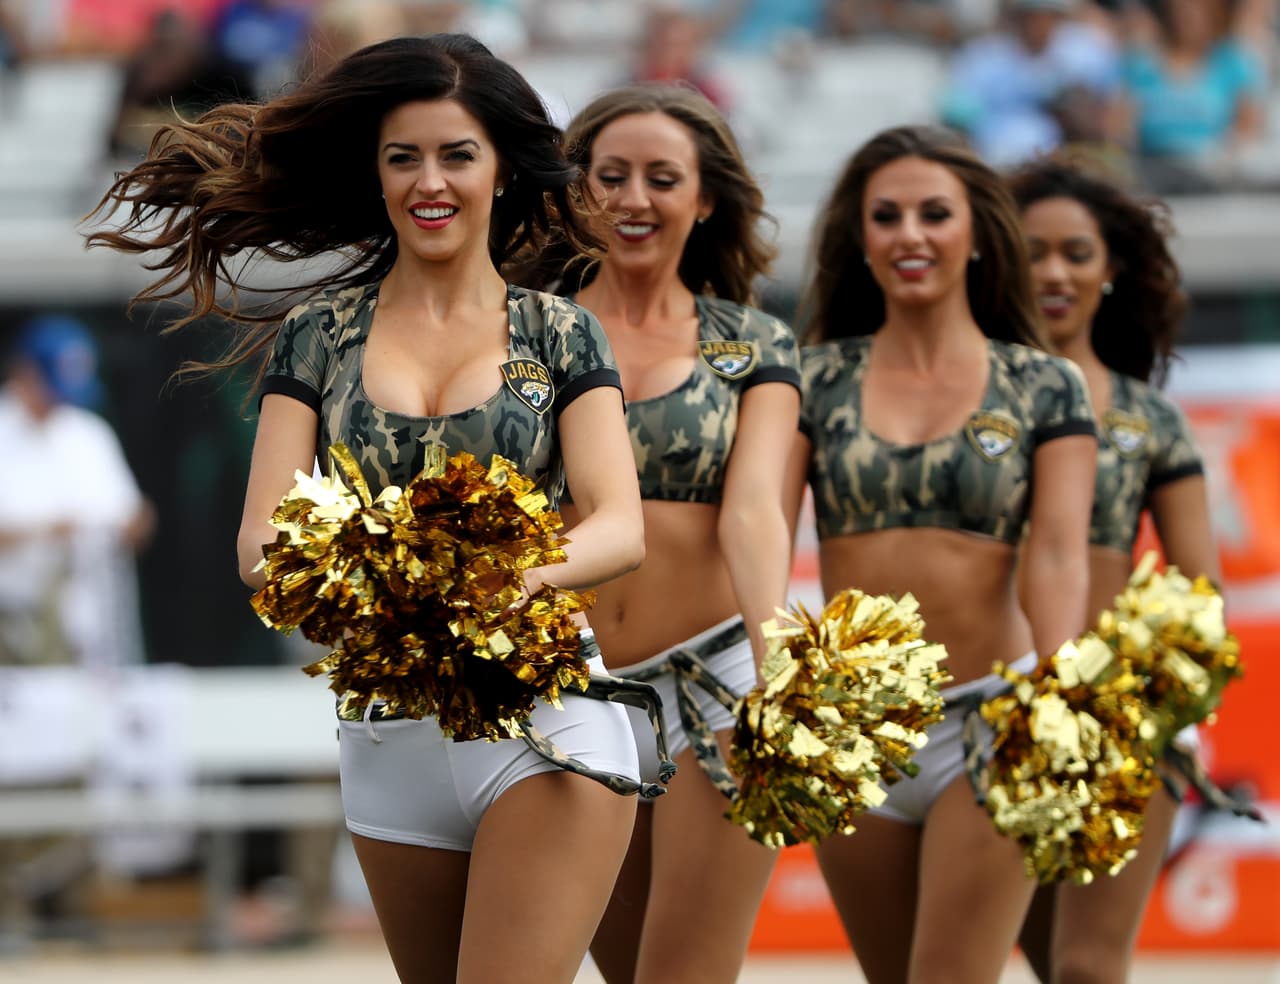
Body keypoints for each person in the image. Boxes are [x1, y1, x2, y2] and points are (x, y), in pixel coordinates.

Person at [87, 34, 651, 984]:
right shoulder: (317, 335)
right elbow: (263, 546)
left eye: (457, 154)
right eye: (404, 158)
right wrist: (383, 590)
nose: (430, 181)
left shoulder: (560, 331)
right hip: (385, 730)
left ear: (503, 170)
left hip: (545, 715)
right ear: (377, 175)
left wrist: (506, 585)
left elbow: (617, 524)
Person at [782, 124, 1097, 984]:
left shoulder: (1042, 384)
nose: (909, 234)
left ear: (977, 235)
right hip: (853, 731)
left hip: (990, 724)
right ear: (860, 237)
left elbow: (1062, 553)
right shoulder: (812, 378)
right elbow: (764, 532)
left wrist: (1056, 692)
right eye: (886, 216)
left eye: (934, 213)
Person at [533, 83, 800, 984]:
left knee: (685, 972)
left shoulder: (755, 343)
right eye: (610, 176)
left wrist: (780, 673)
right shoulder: (520, 330)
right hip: (569, 691)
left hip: (714, 687)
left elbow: (757, 511)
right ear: (577, 191)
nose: (634, 200)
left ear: (706, 196)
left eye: (661, 177)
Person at [1010, 156, 1218, 984]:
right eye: (1032, 251)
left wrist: (1182, 715)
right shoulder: (953, 398)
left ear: (1113, 270)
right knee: (1004, 954)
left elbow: (1198, 588)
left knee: (1089, 968)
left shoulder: (1149, 417)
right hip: (981, 709)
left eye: (1077, 252)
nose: (1054, 273)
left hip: (1123, 717)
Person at [940, 0, 1123, 167]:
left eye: (1046, 15)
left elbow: (1109, 108)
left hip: (1066, 158)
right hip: (995, 157)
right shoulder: (982, 56)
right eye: (1030, 16)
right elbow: (958, 115)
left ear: (1059, 18)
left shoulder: (1085, 51)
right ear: (1016, 18)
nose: (1037, 24)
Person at [1119, 0, 1266, 191]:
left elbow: (1247, 127)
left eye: (1198, 10)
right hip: (1152, 165)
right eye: (1181, 10)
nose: (1189, 17)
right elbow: (1123, 125)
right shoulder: (1142, 62)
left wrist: (1223, 160)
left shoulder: (1234, 60)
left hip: (1211, 168)